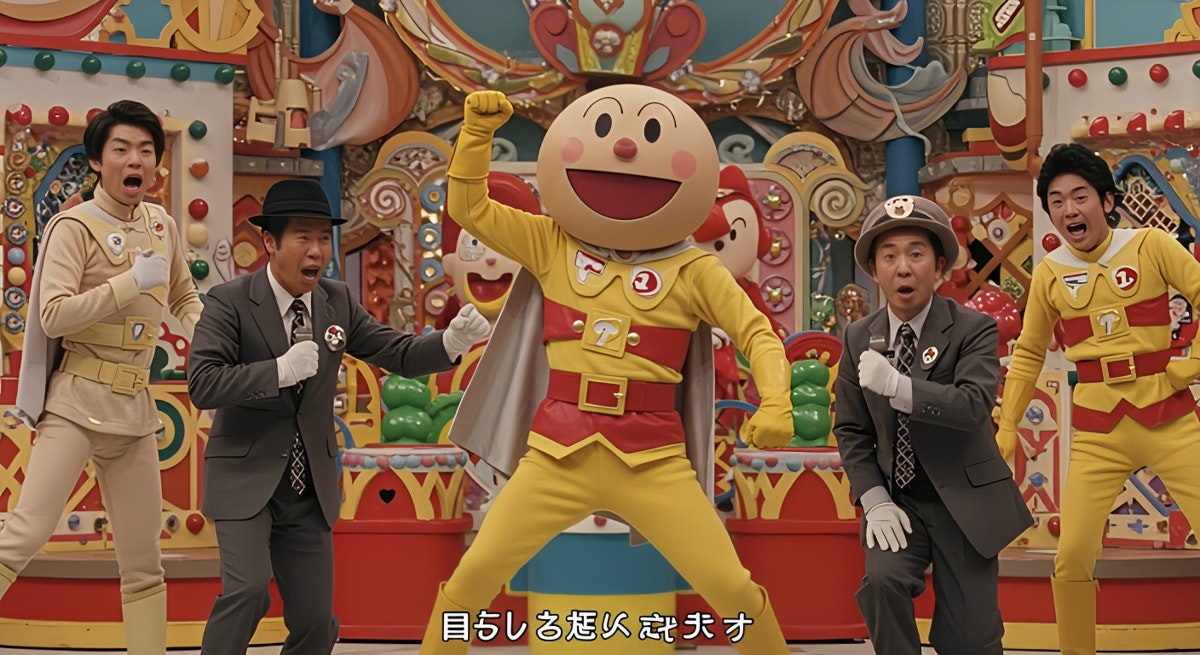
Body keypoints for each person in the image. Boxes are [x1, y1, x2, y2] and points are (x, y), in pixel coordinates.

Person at [419, 86, 794, 655]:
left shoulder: (695, 270)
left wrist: (776, 402)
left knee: (732, 588)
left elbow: (758, 334)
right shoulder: (551, 243)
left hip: (653, 460)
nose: (623, 148)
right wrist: (474, 137)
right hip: (556, 454)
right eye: (605, 131)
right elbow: (471, 211)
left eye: (649, 135)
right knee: (473, 576)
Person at [187, 178, 490, 655]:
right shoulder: (230, 301)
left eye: (323, 239)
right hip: (244, 478)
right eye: (302, 238)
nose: (317, 251)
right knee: (248, 591)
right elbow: (203, 383)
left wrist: (450, 343)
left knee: (316, 622)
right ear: (270, 242)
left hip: (309, 487)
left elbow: (396, 351)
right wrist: (277, 371)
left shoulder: (337, 300)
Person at [1, 99, 205, 653]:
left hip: (134, 414)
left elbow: (184, 296)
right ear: (96, 160)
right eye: (121, 148)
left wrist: (212, 336)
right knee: (24, 534)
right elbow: (52, 315)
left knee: (144, 562)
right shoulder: (73, 226)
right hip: (75, 404)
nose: (135, 159)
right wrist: (129, 283)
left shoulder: (162, 225)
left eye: (146, 150)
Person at [995, 143, 1200, 655]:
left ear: (1107, 201)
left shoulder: (1151, 245)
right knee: (1071, 557)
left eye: (1080, 196)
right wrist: (1008, 423)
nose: (1069, 209)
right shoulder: (1049, 272)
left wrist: (1193, 362)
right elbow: (1029, 352)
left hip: (1170, 416)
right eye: (1057, 201)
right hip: (1097, 431)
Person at [835, 195, 1031, 655]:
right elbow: (852, 430)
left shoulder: (972, 328)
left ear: (939, 266)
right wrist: (874, 498)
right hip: (898, 501)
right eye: (889, 256)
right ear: (874, 270)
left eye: (916, 254)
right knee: (881, 584)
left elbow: (973, 406)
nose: (903, 268)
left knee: (970, 639)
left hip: (964, 501)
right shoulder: (858, 336)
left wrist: (899, 386)